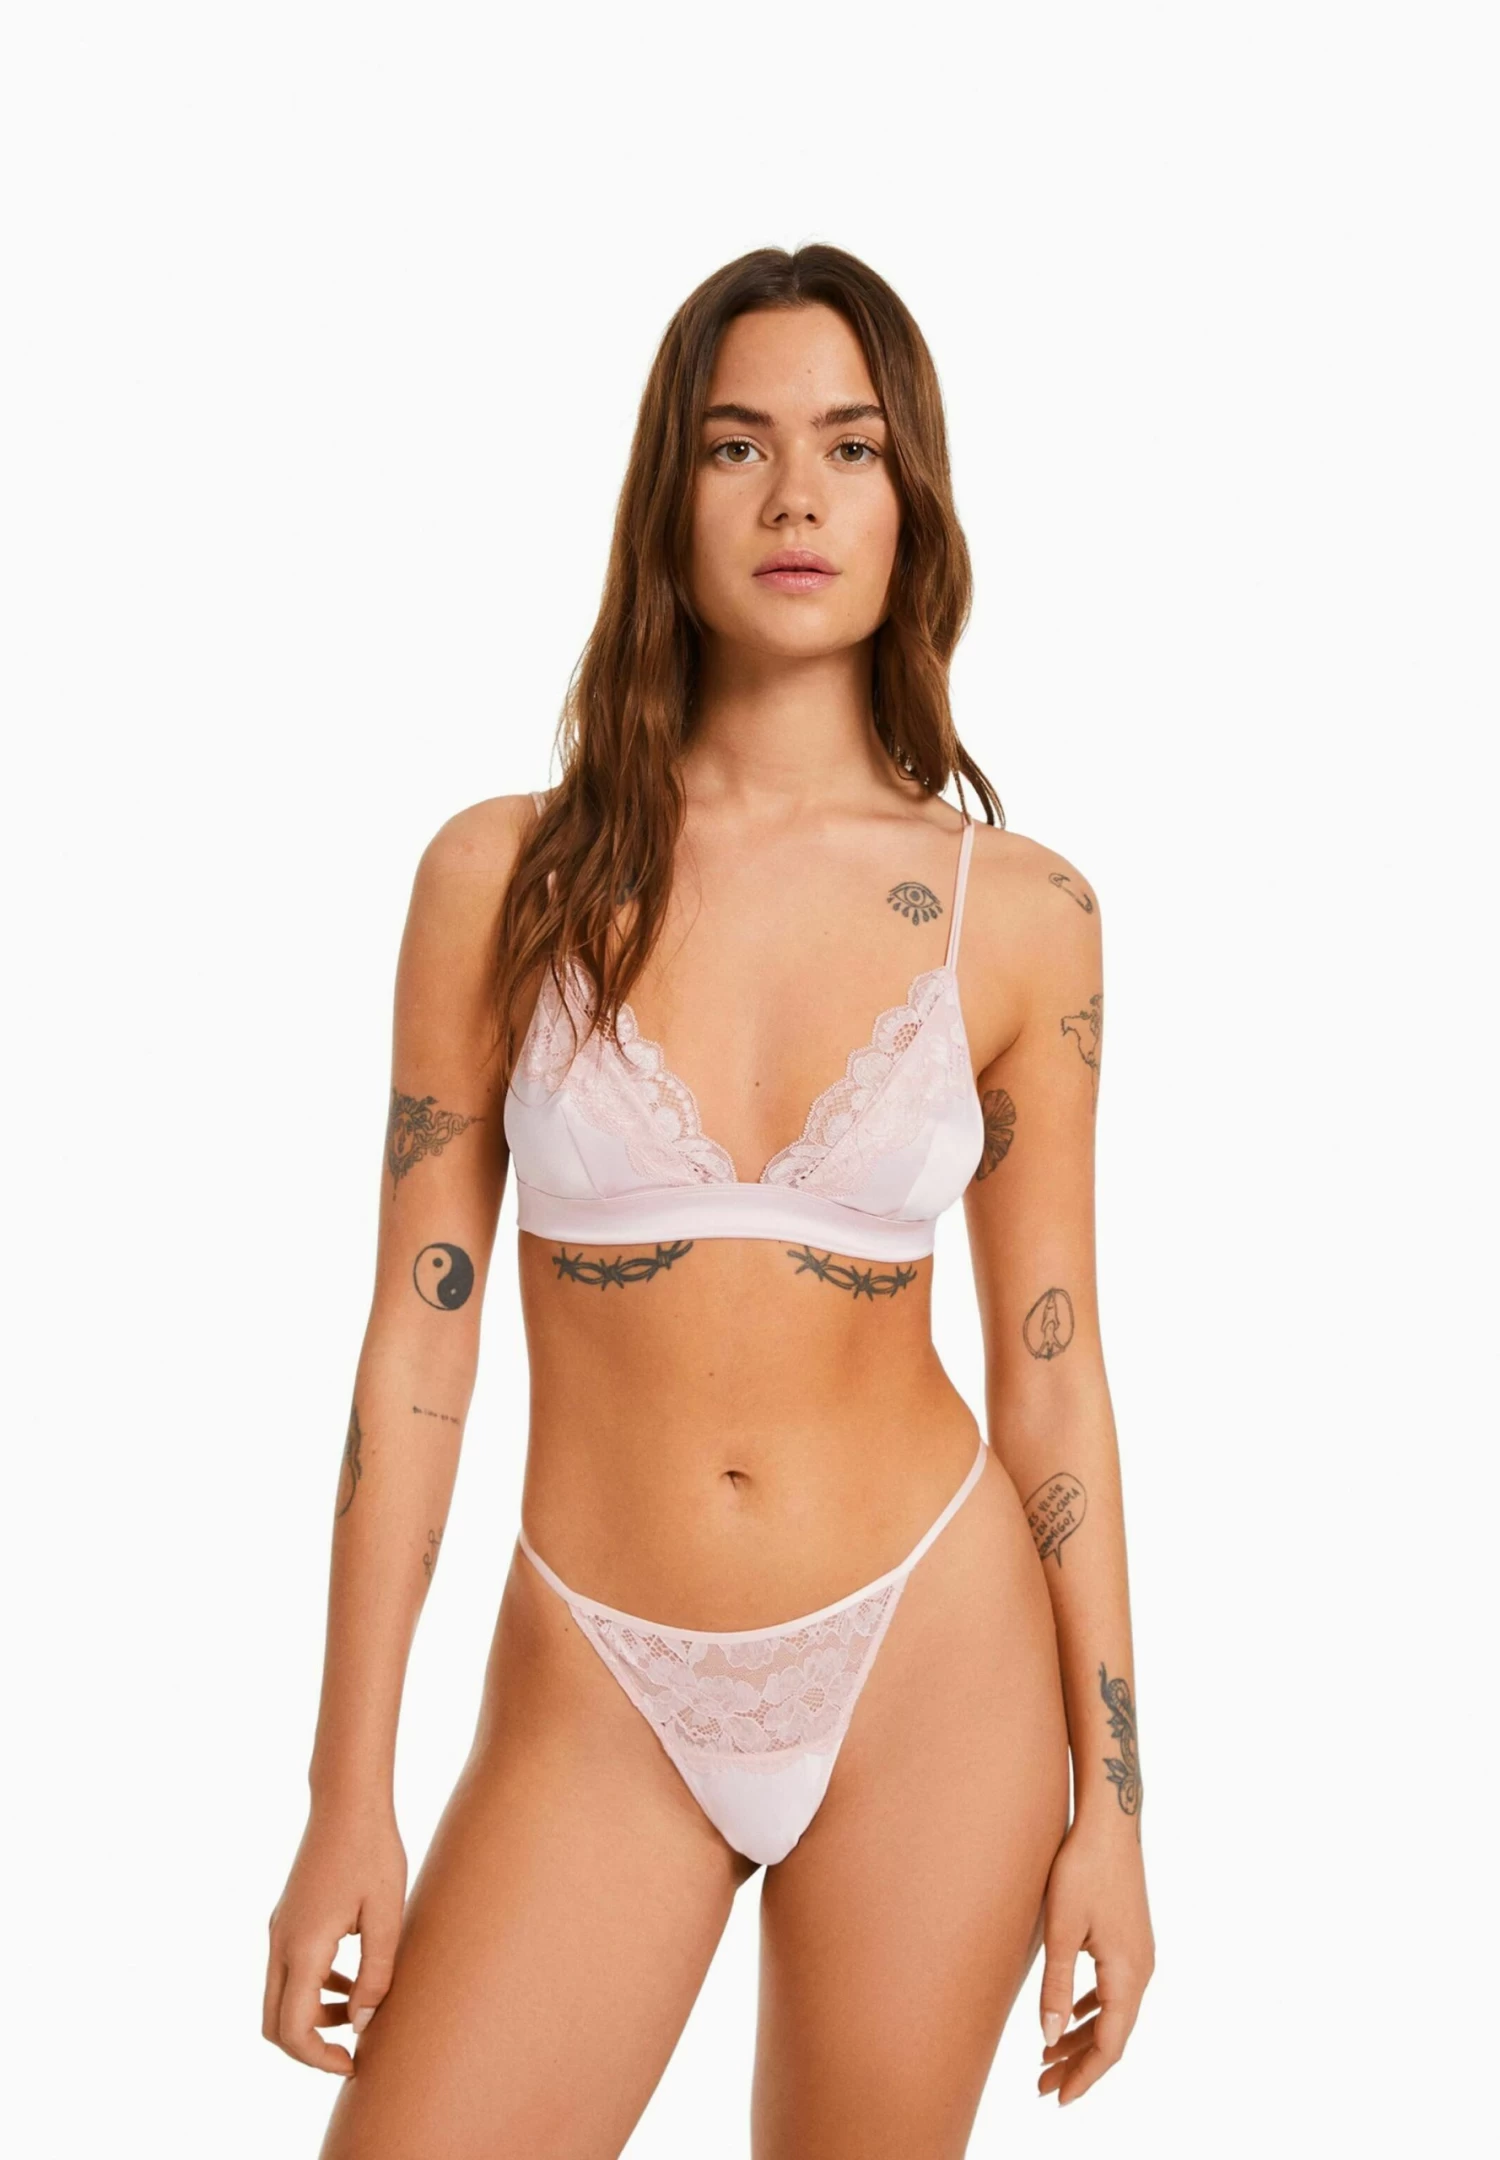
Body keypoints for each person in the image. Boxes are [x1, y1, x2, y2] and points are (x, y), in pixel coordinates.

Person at [264, 242, 1154, 2158]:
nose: (796, 496)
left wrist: (1119, 1815)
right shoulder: (504, 880)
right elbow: (417, 1339)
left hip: (936, 1662)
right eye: (738, 445)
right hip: (596, 1676)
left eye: (851, 446)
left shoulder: (1021, 917)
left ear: (912, 502)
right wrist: (349, 1790)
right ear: (668, 495)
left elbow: (1054, 1368)